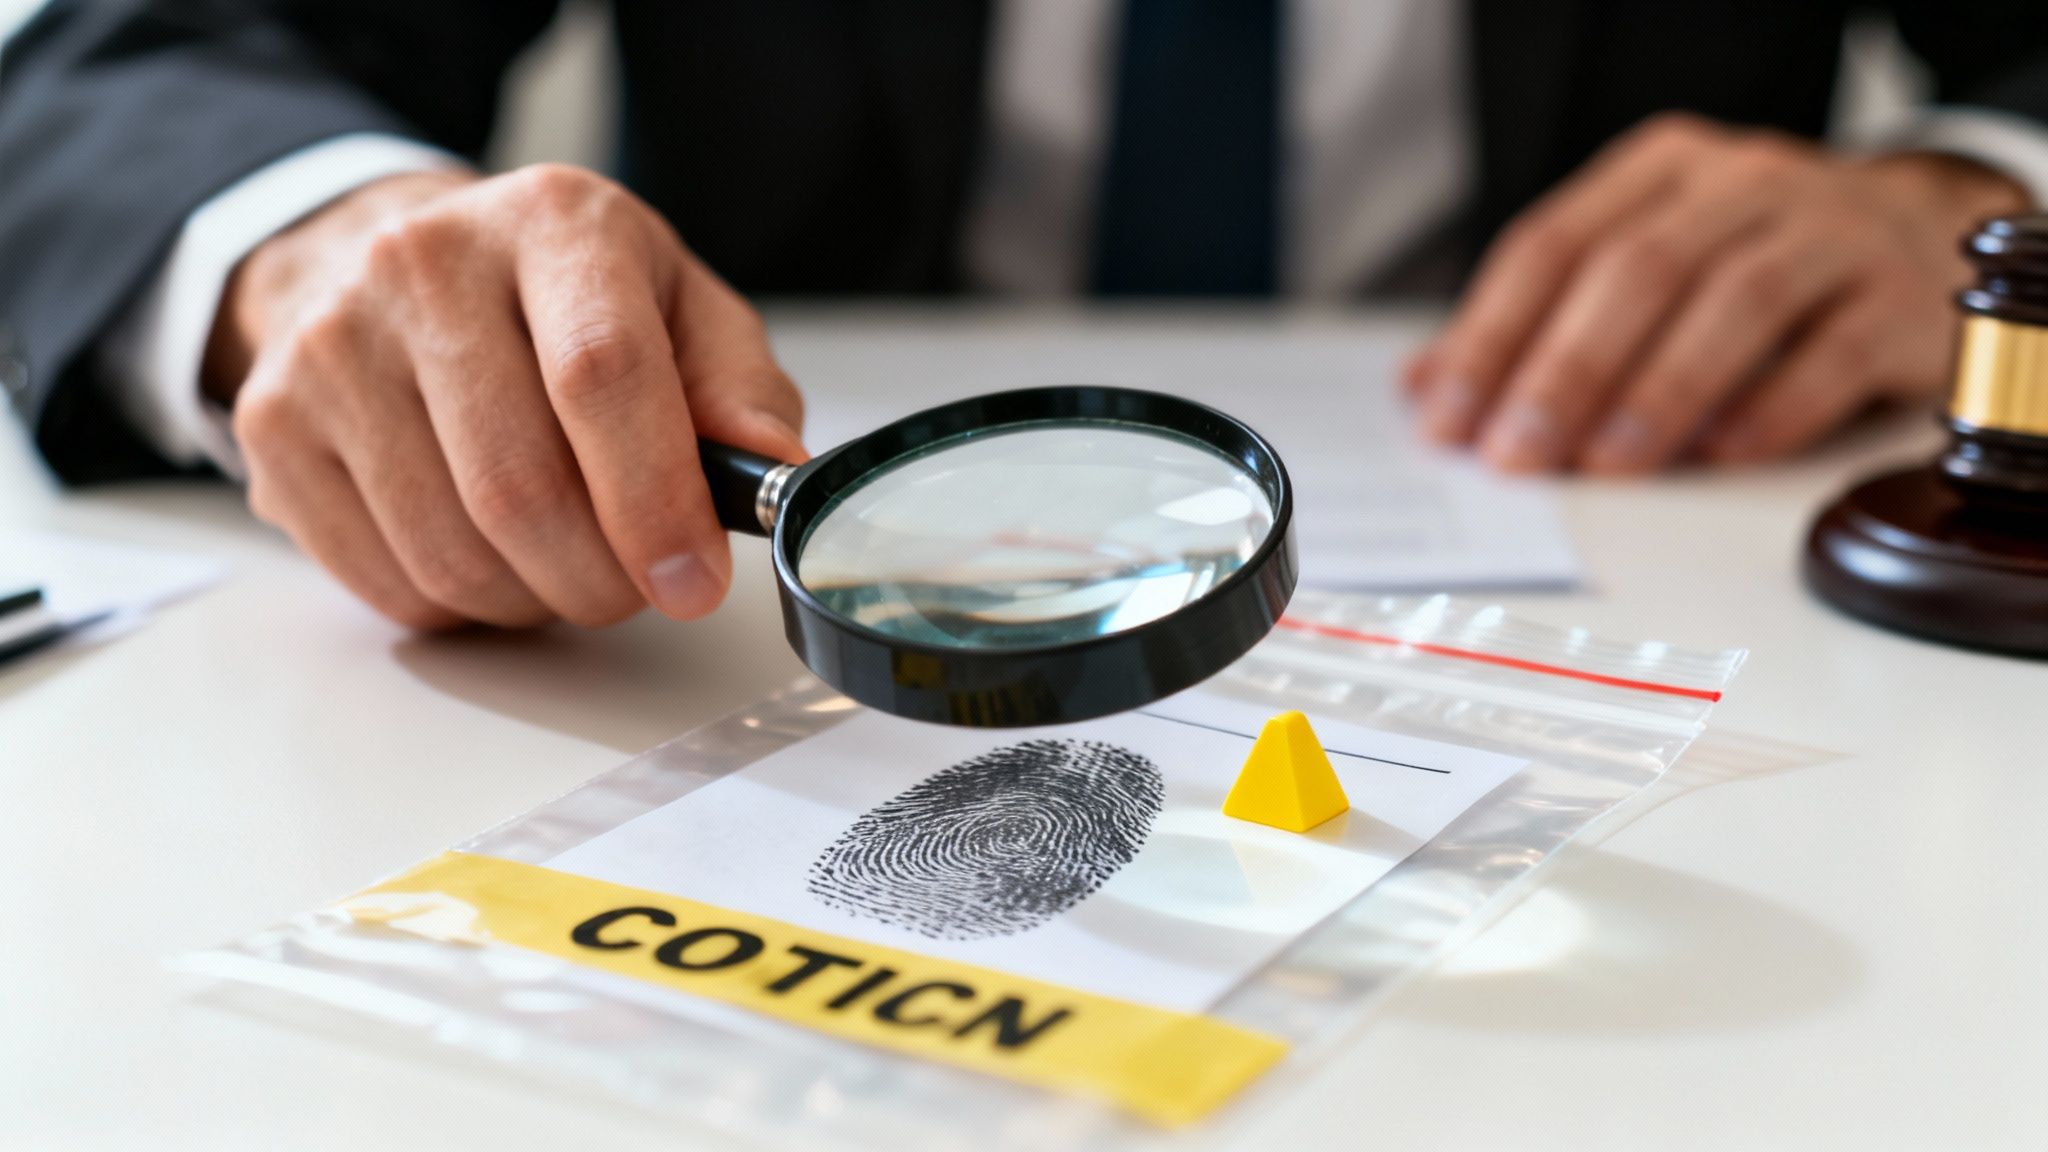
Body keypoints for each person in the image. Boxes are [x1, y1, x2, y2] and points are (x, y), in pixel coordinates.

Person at [2, 1, 2044, 631]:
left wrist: (1973, 209)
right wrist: (319, 245)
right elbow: (107, 60)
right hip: (710, 587)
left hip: (1686, 553)